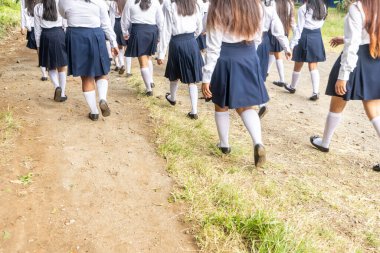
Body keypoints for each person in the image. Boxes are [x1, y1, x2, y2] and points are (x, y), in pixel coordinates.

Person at [310, 0, 380, 172]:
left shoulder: (357, 8)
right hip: (375, 58)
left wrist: (343, 76)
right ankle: (324, 142)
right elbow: (367, 34)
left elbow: (353, 45)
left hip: (357, 60)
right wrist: (345, 38)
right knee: (374, 110)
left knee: (338, 99)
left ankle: (324, 142)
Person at [202, 0, 268, 168]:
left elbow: (213, 47)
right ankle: (258, 142)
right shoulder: (256, 5)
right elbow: (259, 37)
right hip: (249, 55)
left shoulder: (218, 6)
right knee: (247, 106)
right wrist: (248, 54)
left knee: (220, 103)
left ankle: (224, 144)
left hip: (225, 57)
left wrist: (206, 76)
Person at [59, 0, 119, 121]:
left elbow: (63, 14)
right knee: (101, 72)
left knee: (86, 76)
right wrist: (114, 43)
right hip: (96, 34)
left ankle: (94, 112)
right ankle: (102, 98)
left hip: (76, 37)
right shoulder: (99, 2)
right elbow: (106, 24)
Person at [157, 0, 203, 119]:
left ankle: (172, 98)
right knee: (192, 80)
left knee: (174, 73)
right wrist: (191, 38)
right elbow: (200, 27)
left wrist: (161, 54)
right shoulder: (195, 5)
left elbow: (166, 30)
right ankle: (194, 111)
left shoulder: (171, 7)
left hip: (176, 42)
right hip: (192, 42)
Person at [284, 0, 327, 101]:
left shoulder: (303, 8)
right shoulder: (323, 7)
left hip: (304, 35)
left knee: (298, 62)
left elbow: (299, 29)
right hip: (317, 35)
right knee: (313, 65)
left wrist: (292, 45)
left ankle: (292, 87)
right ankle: (315, 92)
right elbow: (321, 23)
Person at [257, 0, 291, 118]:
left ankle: (257, 102)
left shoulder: (245, 5)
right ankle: (261, 103)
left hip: (246, 40)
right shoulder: (269, 8)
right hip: (263, 40)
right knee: (259, 72)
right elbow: (278, 30)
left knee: (245, 71)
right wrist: (286, 48)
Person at [121, 0, 164, 96]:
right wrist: (160, 36)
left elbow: (125, 19)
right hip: (152, 31)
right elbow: (160, 21)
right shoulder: (155, 2)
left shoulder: (130, 2)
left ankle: (149, 89)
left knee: (143, 61)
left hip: (138, 31)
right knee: (147, 57)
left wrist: (125, 33)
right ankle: (151, 80)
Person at [34, 0, 68, 102]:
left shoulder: (38, 7)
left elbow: (37, 30)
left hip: (45, 36)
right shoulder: (60, 4)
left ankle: (57, 86)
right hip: (59, 34)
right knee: (62, 66)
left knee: (50, 66)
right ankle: (62, 93)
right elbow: (65, 24)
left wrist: (38, 45)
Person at [268, 0, 296, 87]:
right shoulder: (289, 3)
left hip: (273, 31)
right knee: (273, 52)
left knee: (277, 54)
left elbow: (269, 17)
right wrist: (295, 32)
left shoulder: (272, 2)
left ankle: (282, 79)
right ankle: (267, 71)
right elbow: (292, 20)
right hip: (284, 31)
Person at [22, 0, 48, 81]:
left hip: (44, 23)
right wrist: (23, 26)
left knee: (45, 44)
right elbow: (23, 11)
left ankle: (45, 63)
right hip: (32, 24)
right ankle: (43, 65)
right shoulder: (25, 1)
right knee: (38, 46)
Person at [109, 0, 132, 77]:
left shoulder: (112, 3)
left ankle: (122, 64)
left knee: (119, 47)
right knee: (128, 48)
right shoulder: (128, 2)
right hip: (127, 24)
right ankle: (128, 71)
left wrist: (111, 31)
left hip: (117, 25)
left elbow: (111, 18)